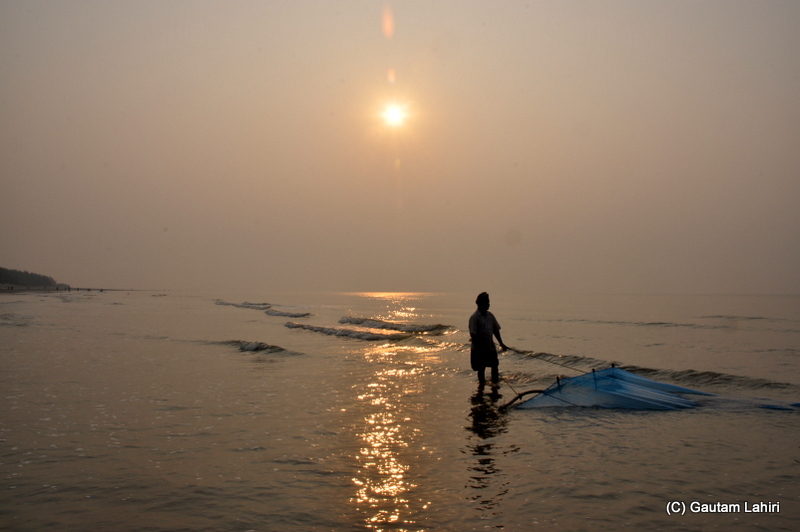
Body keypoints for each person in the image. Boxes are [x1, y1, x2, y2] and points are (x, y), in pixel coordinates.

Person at [469, 292, 508, 386]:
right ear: (479, 303)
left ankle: (494, 384)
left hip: (491, 347)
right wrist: (480, 348)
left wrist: (501, 343)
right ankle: (481, 386)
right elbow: (473, 335)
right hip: (479, 349)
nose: (488, 304)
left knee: (495, 366)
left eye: (488, 302)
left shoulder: (490, 316)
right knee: (481, 369)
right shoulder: (474, 318)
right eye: (486, 302)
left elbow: (496, 331)